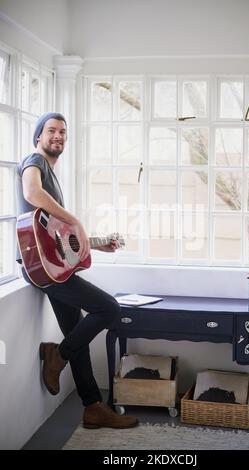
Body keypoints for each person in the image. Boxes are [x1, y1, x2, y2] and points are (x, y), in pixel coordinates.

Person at [16, 112, 138, 429]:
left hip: (52, 266)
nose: (58, 136)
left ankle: (93, 407)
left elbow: (58, 240)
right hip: (39, 267)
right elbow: (31, 193)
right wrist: (76, 221)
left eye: (63, 132)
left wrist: (94, 242)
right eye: (51, 130)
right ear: (38, 136)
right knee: (108, 308)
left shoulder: (53, 177)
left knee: (77, 333)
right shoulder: (35, 162)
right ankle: (58, 355)